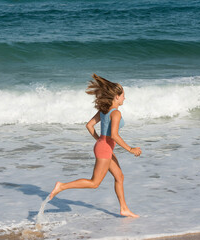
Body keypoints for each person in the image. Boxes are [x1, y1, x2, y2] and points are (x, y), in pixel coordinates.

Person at [49, 74, 142, 218]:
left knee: (119, 176)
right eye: (123, 95)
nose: (125, 98)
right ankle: (62, 186)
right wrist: (131, 149)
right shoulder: (116, 113)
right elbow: (114, 135)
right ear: (116, 97)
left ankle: (124, 208)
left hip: (103, 145)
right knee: (94, 183)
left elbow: (89, 125)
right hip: (104, 148)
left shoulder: (105, 110)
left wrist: (100, 140)